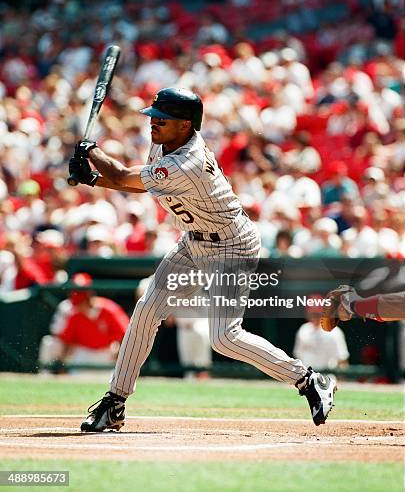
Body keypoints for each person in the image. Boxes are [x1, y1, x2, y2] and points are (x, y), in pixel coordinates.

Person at [68, 87, 337, 432]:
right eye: (154, 118)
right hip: (193, 241)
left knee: (224, 337)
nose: (154, 124)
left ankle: (309, 379)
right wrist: (92, 177)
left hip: (232, 246)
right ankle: (114, 402)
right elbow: (139, 184)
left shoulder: (189, 160)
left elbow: (121, 176)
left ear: (185, 125)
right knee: (147, 309)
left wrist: (92, 153)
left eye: (162, 120)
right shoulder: (166, 145)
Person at [38, 272, 129, 371]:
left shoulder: (108, 309)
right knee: (49, 343)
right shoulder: (75, 315)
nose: (79, 305)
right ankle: (45, 375)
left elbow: (127, 333)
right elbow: (67, 340)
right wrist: (62, 365)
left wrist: (120, 352)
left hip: (106, 352)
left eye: (82, 301)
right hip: (83, 353)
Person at [293, 294, 349, 371]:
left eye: (317, 314)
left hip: (328, 377)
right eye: (312, 314)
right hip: (306, 376)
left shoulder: (334, 331)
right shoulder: (303, 329)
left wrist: (342, 379)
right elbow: (298, 355)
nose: (314, 317)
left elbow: (342, 360)